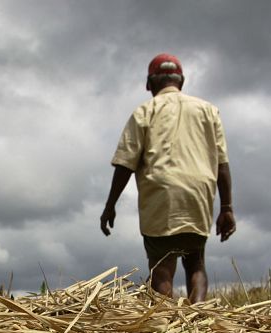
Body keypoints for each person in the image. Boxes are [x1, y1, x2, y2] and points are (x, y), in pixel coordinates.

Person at [100, 53, 236, 303]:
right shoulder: (208, 111)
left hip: (160, 192)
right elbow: (222, 164)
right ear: (181, 81)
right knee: (196, 261)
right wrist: (226, 208)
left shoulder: (145, 111)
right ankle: (198, 319)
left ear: (149, 84)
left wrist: (110, 206)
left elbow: (125, 163)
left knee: (162, 265)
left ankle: (166, 326)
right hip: (199, 193)